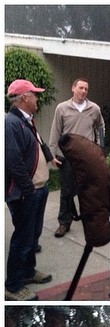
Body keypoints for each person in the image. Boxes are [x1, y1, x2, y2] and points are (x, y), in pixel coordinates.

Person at [5, 79, 53, 302]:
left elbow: (38, 143)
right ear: (24, 97)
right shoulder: (11, 124)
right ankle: (13, 286)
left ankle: (28, 272)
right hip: (26, 193)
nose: (37, 98)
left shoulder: (26, 121)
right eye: (34, 94)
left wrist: (51, 158)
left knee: (32, 236)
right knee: (23, 238)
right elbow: (13, 162)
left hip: (38, 189)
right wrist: (28, 190)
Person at [48, 78, 105, 238]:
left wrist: (100, 147)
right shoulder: (62, 108)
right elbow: (55, 130)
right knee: (66, 190)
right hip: (68, 157)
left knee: (88, 189)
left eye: (86, 89)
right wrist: (52, 154)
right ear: (73, 88)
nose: (83, 91)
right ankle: (64, 222)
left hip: (87, 157)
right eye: (80, 88)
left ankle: (87, 218)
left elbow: (100, 127)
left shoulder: (94, 109)